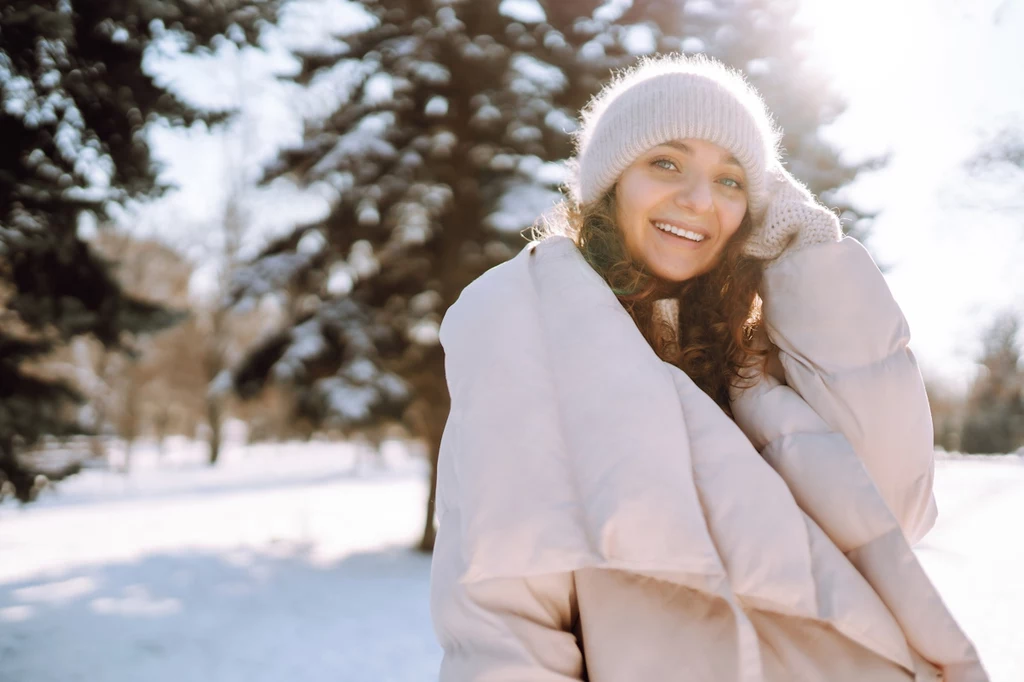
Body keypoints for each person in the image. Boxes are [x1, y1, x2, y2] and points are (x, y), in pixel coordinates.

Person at [429, 53, 987, 682]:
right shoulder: (528, 326)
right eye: (664, 162)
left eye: (731, 181)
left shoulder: (758, 352)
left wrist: (811, 257)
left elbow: (894, 510)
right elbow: (503, 620)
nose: (699, 200)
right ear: (610, 184)